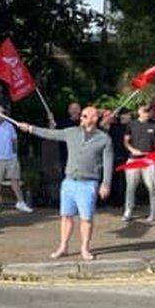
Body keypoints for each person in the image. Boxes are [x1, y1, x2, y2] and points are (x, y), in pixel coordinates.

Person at [17, 106, 112, 261]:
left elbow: (108, 162)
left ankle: (85, 248)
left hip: (88, 184)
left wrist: (106, 183)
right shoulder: (71, 132)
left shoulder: (104, 138)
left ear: (94, 118)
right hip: (69, 182)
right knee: (66, 216)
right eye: (81, 115)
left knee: (86, 218)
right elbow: (50, 134)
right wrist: (30, 128)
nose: (81, 118)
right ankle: (63, 246)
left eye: (85, 115)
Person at [0, 107, 32, 214]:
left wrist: (14, 154)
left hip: (10, 158)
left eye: (2, 113)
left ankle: (21, 202)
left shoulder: (9, 126)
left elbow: (14, 141)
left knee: (15, 180)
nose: (0, 115)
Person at [122, 105, 155, 223]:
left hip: (149, 160)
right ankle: (128, 211)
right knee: (130, 187)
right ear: (139, 111)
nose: (147, 114)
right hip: (133, 159)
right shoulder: (131, 124)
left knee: (152, 187)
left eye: (149, 111)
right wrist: (132, 150)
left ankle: (154, 213)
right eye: (145, 111)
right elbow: (125, 141)